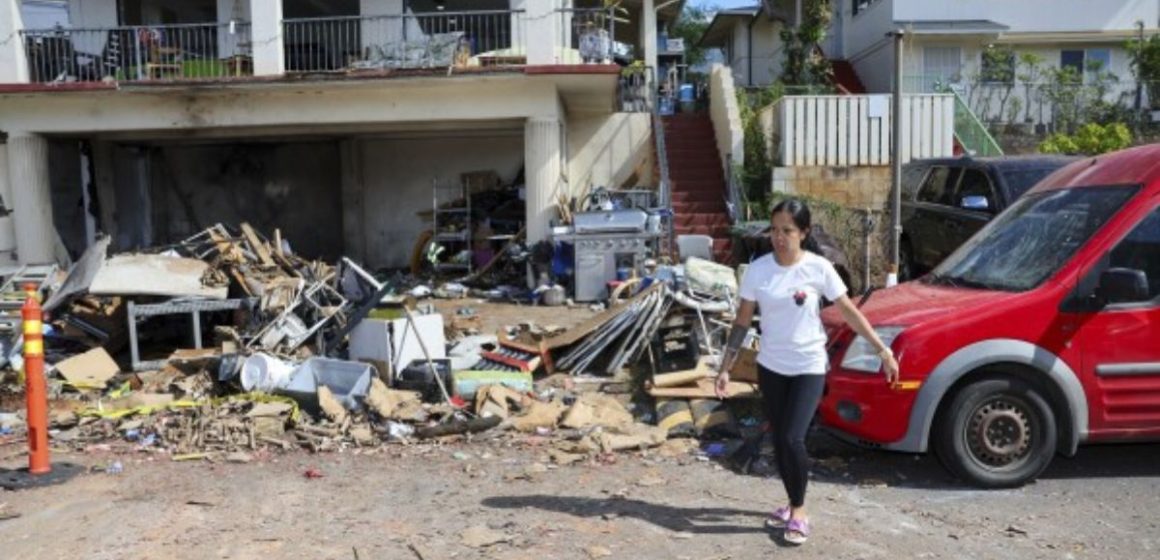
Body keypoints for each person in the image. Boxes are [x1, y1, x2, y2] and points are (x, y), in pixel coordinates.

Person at [715, 198, 899, 545]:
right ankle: (790, 502)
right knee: (780, 439)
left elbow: (848, 311)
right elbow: (742, 322)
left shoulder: (818, 268)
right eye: (774, 230)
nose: (779, 238)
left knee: (791, 438)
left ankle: (799, 512)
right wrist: (725, 367)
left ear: (804, 233)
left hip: (809, 366)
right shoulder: (758, 270)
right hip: (771, 367)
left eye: (787, 231)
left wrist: (882, 349)